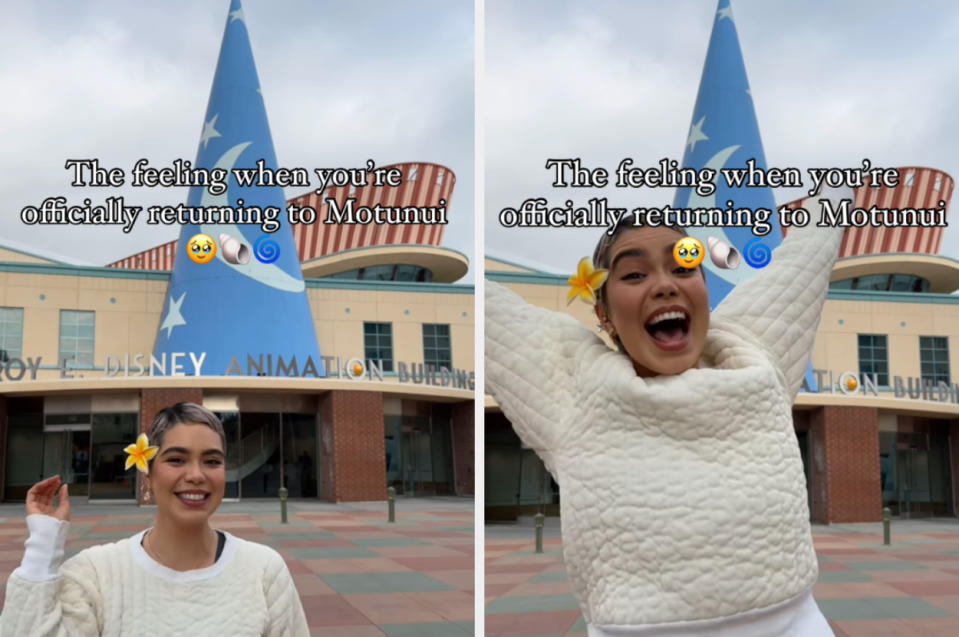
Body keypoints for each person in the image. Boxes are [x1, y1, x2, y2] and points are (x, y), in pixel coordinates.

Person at [485, 190, 849, 636]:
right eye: (635, 273)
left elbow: (805, 258)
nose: (664, 284)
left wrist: (839, 190)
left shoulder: (753, 353)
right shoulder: (571, 385)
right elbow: (486, 311)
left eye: (683, 268)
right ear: (604, 314)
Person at [0, 402, 309, 636]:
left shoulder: (264, 570)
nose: (196, 475)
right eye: (176, 459)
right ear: (147, 474)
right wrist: (42, 546)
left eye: (212, 461)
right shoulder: (96, 573)